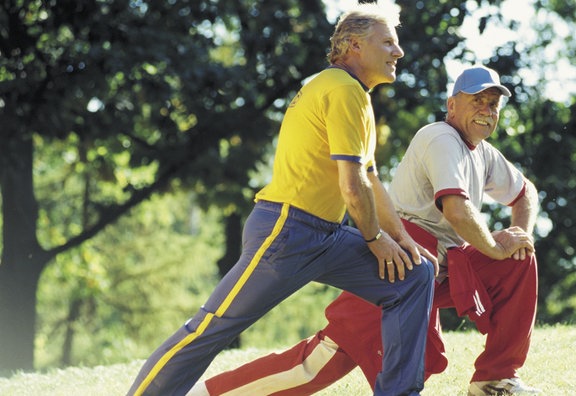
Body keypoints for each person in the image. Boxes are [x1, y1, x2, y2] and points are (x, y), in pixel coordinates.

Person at [127, 4, 438, 396]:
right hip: (287, 230)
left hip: (326, 235)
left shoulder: (355, 95)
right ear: (355, 46)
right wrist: (377, 240)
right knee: (212, 326)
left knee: (413, 275)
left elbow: (371, 178)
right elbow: (352, 182)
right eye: (389, 42)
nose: (399, 52)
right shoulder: (341, 89)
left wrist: (403, 241)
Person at [187, 65, 542, 396]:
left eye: (493, 103)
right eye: (477, 100)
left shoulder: (484, 153)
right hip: (403, 259)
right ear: (451, 105)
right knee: (326, 358)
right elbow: (458, 211)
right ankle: (210, 393)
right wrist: (497, 246)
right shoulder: (441, 137)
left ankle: (495, 379)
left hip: (446, 266)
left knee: (519, 260)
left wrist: (519, 236)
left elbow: (526, 192)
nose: (487, 109)